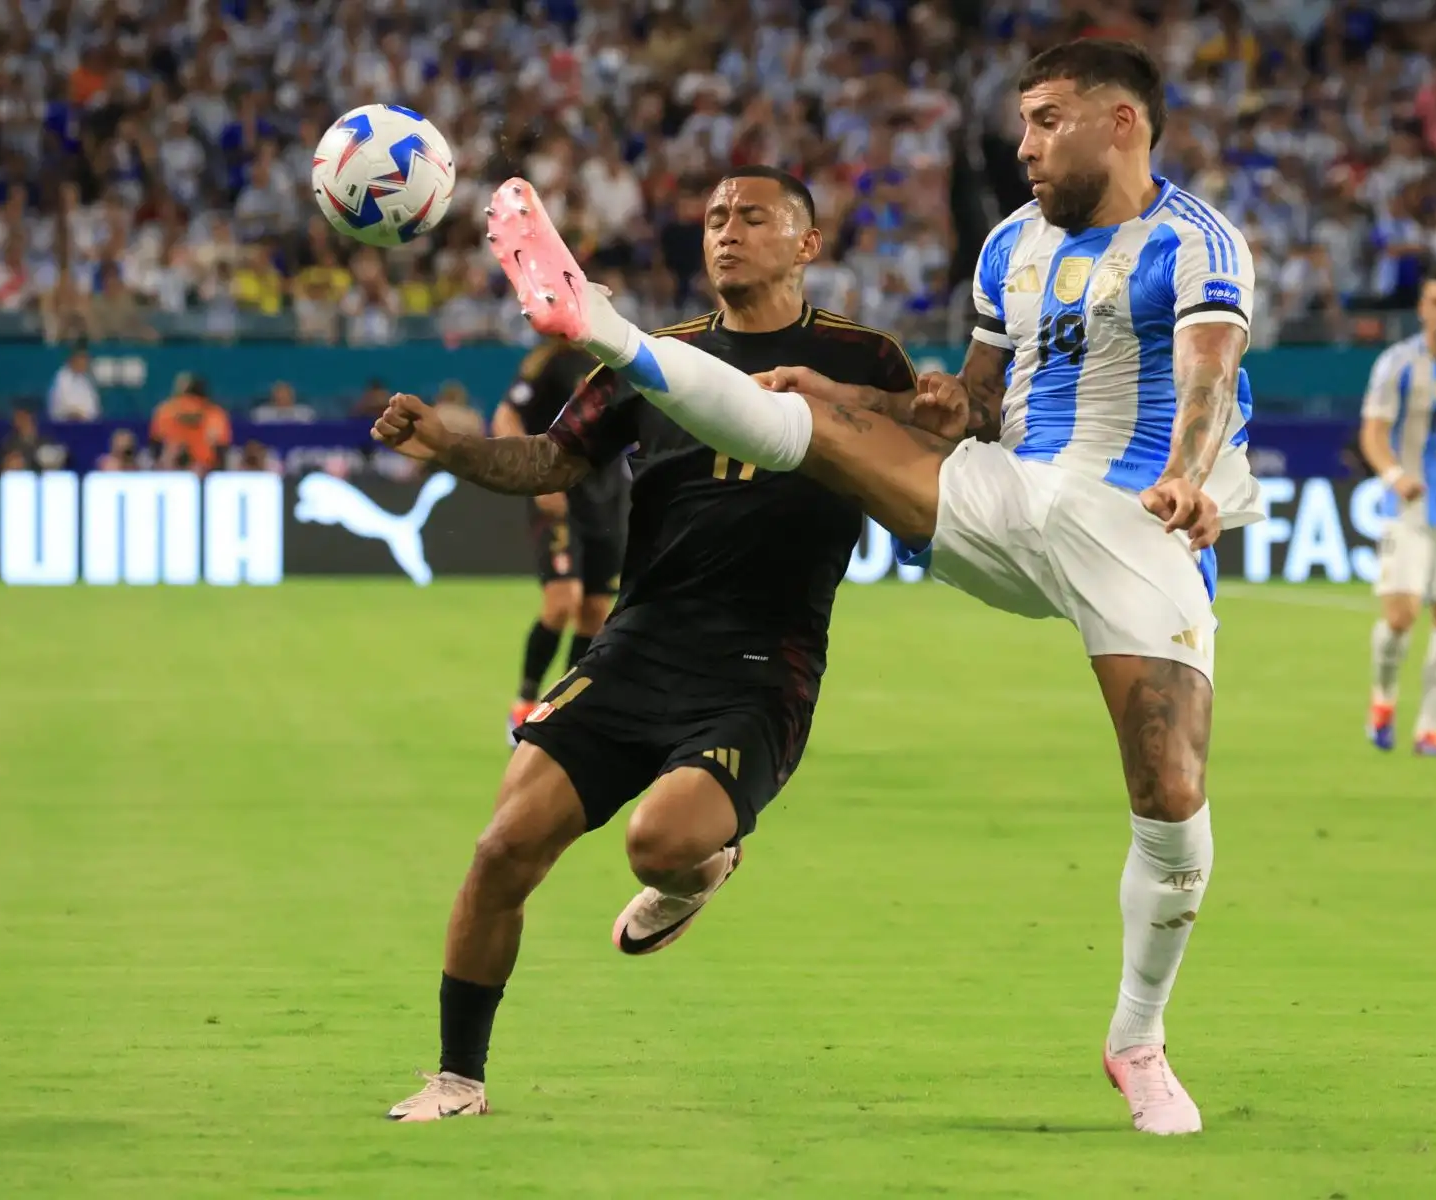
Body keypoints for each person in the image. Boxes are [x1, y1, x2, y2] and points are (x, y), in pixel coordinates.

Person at [479, 39, 1258, 1136]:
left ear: (1120, 122)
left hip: (1136, 523)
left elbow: (1210, 368)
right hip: (1009, 494)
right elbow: (983, 401)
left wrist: (1185, 473)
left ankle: (1137, 1039)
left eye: (1045, 120)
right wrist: (933, 408)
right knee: (816, 415)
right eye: (1023, 123)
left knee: (1170, 795)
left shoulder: (1196, 241)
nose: (1023, 145)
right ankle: (601, 323)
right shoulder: (1009, 245)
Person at [371, 166, 917, 1121]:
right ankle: (458, 1078)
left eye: (753, 216)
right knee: (502, 847)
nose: (727, 231)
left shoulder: (865, 358)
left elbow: (930, 461)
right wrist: (451, 445)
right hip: (637, 644)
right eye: (713, 217)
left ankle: (703, 866)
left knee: (657, 844)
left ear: (807, 244)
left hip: (761, 663)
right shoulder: (653, 354)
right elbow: (553, 455)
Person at [1356, 267, 1436, 755]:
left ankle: (1429, 727)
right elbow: (1373, 432)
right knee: (1403, 613)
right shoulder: (1398, 363)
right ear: (1423, 308)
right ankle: (1383, 699)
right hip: (1406, 503)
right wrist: (1393, 476)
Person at [489, 341, 630, 739]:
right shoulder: (547, 362)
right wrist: (533, 475)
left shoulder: (615, 357)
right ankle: (524, 703)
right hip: (559, 499)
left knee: (595, 610)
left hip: (608, 497)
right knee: (561, 601)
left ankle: (563, 708)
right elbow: (505, 416)